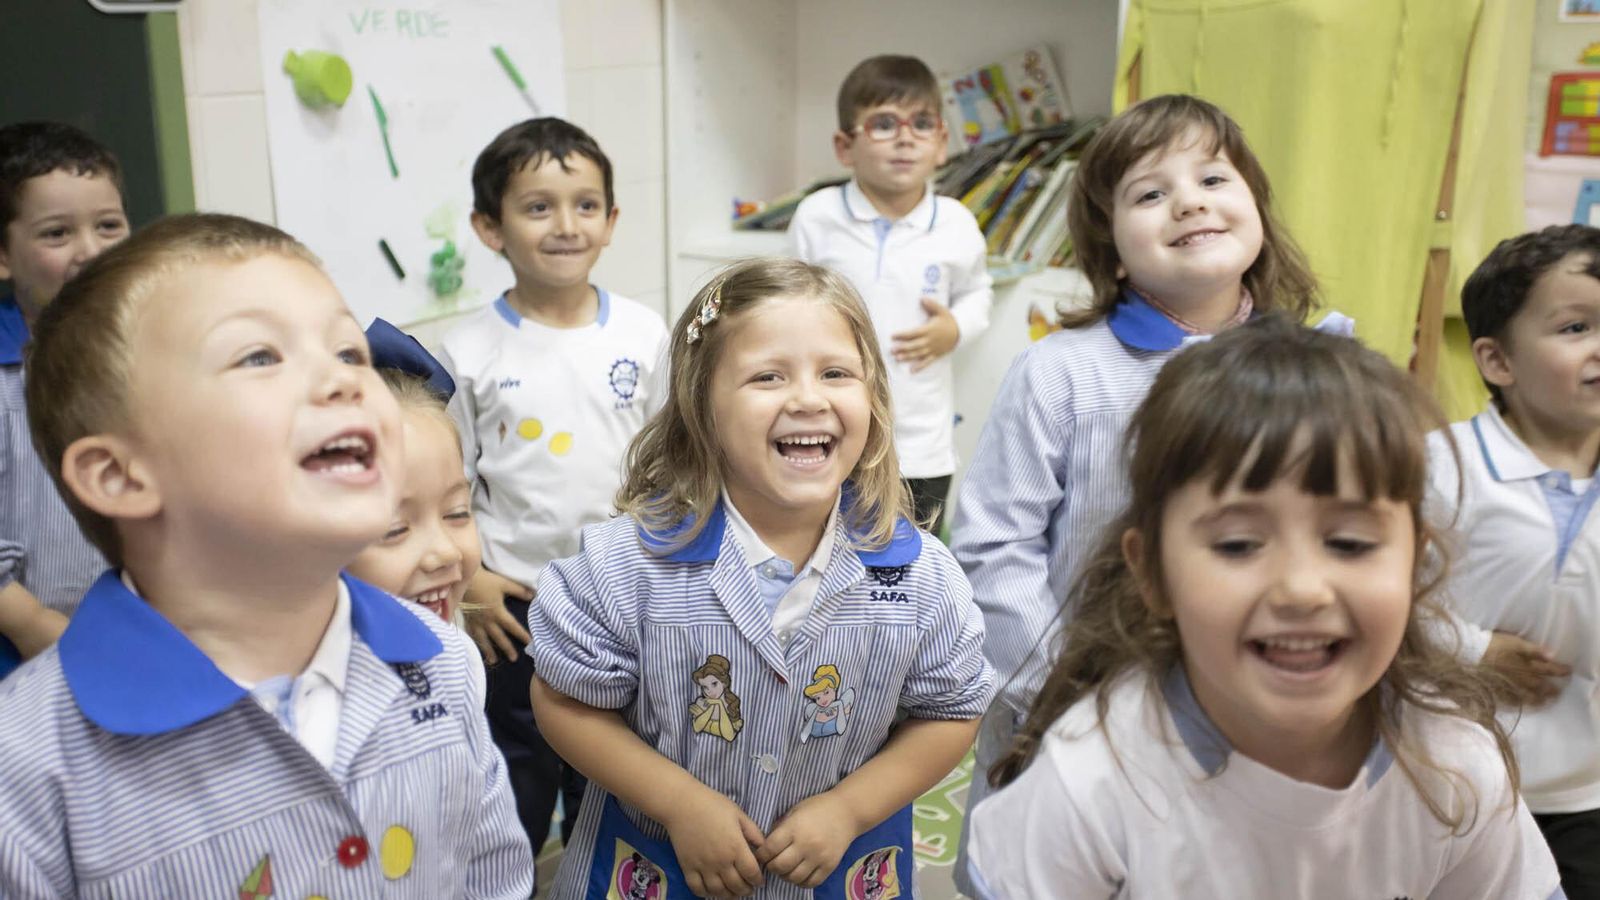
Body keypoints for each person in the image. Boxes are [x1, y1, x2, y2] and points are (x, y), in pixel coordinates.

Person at [0, 213, 531, 898]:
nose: (345, 382)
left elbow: (492, 881)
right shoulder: (30, 762)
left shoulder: (439, 658)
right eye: (260, 356)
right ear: (119, 475)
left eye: (348, 353)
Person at [968, 316, 1561, 898]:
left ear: (1413, 564)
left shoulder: (1454, 768)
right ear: (1151, 571)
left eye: (1349, 543)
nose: (1302, 589)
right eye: (1238, 545)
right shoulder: (1089, 781)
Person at [947, 94, 1328, 885]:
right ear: (1112, 249)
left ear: (1255, 210)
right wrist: (1064, 694)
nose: (1189, 200)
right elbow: (991, 547)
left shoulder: (1317, 365)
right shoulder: (1061, 372)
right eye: (1150, 193)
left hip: (1247, 718)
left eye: (1214, 178)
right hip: (1071, 712)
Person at [528, 258, 993, 898]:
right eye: (767, 376)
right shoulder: (623, 565)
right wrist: (679, 803)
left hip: (839, 871)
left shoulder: (921, 576)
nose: (807, 397)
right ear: (701, 407)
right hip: (654, 868)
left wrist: (850, 809)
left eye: (836, 373)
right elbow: (565, 702)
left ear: (873, 400)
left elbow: (950, 713)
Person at [442, 116, 670, 855]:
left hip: (625, 600)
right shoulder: (466, 351)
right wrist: (471, 576)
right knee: (519, 777)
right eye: (538, 206)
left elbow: (671, 463)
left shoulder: (644, 334)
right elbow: (446, 486)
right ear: (489, 227)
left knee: (612, 775)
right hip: (515, 608)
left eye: (585, 204)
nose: (565, 225)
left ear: (611, 221)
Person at [1431, 223, 1600, 897]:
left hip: (1586, 794)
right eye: (1575, 328)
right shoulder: (1439, 466)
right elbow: (1370, 607)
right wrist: (1473, 650)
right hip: (1451, 785)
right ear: (1498, 362)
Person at [790, 54, 993, 534]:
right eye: (884, 124)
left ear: (942, 143)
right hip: (830, 433)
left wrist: (955, 327)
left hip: (921, 445)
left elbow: (978, 293)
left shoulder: (956, 223)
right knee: (828, 549)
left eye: (922, 124)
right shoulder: (818, 217)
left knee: (908, 567)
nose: (905, 137)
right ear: (845, 146)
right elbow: (788, 300)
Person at [0, 121, 130, 676]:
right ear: (4, 257)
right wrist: (33, 626)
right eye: (56, 234)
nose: (90, 252)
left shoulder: (154, 354)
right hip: (31, 657)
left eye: (108, 225)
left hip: (143, 634)